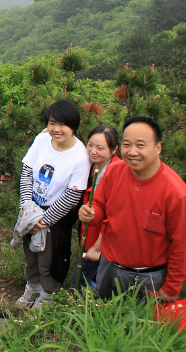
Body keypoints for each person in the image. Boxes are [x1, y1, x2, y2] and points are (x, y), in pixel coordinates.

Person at [78, 117, 186, 302]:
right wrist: (90, 214)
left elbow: (181, 245)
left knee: (142, 327)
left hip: (149, 277)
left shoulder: (176, 194)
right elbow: (99, 205)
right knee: (103, 321)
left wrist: (172, 287)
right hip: (109, 266)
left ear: (158, 148)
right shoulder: (115, 171)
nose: (132, 152)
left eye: (141, 145)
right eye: (127, 144)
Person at [15, 100, 90, 309]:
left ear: (73, 126)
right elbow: (27, 172)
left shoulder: (80, 157)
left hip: (56, 216)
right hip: (32, 208)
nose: (56, 129)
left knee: (49, 259)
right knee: (30, 253)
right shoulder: (41, 139)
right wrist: (27, 208)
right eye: (52, 123)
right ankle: (32, 286)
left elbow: (72, 195)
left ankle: (47, 295)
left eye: (63, 125)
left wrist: (44, 220)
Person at [72, 124, 122, 289]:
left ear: (114, 150)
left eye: (100, 148)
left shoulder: (115, 173)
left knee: (83, 283)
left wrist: (97, 248)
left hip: (101, 244)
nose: (93, 151)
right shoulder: (92, 164)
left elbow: (114, 217)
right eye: (90, 145)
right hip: (89, 238)